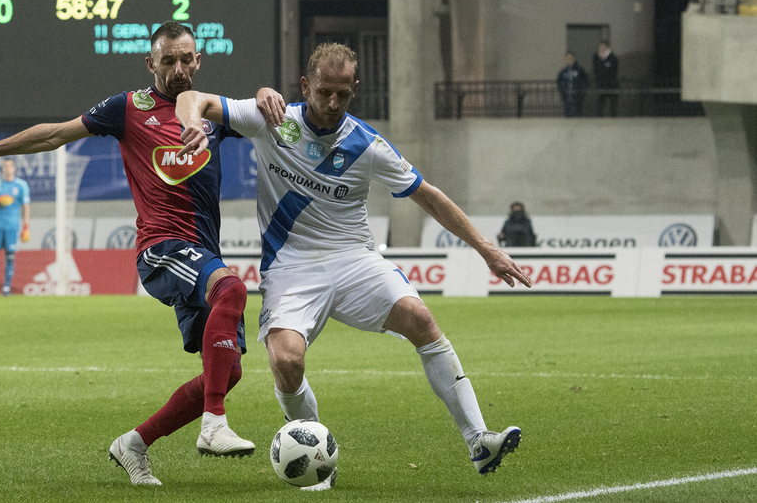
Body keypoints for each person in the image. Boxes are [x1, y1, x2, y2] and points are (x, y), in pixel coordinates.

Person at [175, 42, 533, 491]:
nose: (332, 103)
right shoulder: (273, 119)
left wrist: (487, 250)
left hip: (354, 259)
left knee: (421, 318)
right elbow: (192, 98)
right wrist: (193, 123)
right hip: (291, 266)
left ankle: (479, 440)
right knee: (286, 360)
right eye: (324, 91)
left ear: (354, 90)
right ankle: (318, 464)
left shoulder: (367, 144)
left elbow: (429, 196)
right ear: (306, 85)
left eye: (343, 94)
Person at [0, 21, 283, 486]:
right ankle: (214, 425)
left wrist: (265, 93)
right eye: (168, 61)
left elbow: (267, 119)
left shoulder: (211, 114)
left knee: (228, 372)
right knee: (233, 289)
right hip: (161, 247)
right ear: (150, 63)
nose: (179, 69)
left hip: (201, 251)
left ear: (198, 60)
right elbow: (55, 134)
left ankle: (134, 444)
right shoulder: (128, 108)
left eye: (186, 59)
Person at [0, 159, 30, 296]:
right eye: (5, 166)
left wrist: (26, 227)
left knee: (10, 256)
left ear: (14, 168)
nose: (7, 169)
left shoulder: (21, 185)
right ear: (2, 169)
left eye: (10, 166)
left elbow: (26, 207)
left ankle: (6, 288)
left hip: (12, 226)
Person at [556, 51, 588, 118]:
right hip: (567, 96)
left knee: (577, 114)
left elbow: (585, 80)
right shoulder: (563, 71)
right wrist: (562, 91)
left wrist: (581, 90)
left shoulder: (579, 70)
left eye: (570, 58)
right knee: (568, 113)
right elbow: (559, 82)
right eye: (568, 58)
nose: (569, 60)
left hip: (577, 96)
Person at [592, 41, 619, 117]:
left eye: (603, 47)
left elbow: (614, 71)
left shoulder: (612, 58)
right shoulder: (596, 57)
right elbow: (596, 71)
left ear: (606, 47)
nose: (601, 48)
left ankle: (613, 118)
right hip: (601, 84)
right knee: (601, 103)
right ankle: (600, 117)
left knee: (613, 103)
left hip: (611, 84)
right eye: (600, 47)